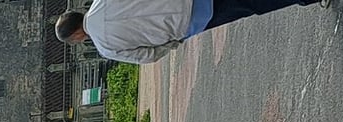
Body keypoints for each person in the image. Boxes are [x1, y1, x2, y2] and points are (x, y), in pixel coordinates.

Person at [53, 0, 325, 65]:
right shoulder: (104, 1)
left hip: (187, 22)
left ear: (76, 36)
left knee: (248, 6)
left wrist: (172, 43)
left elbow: (148, 56)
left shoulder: (106, 47)